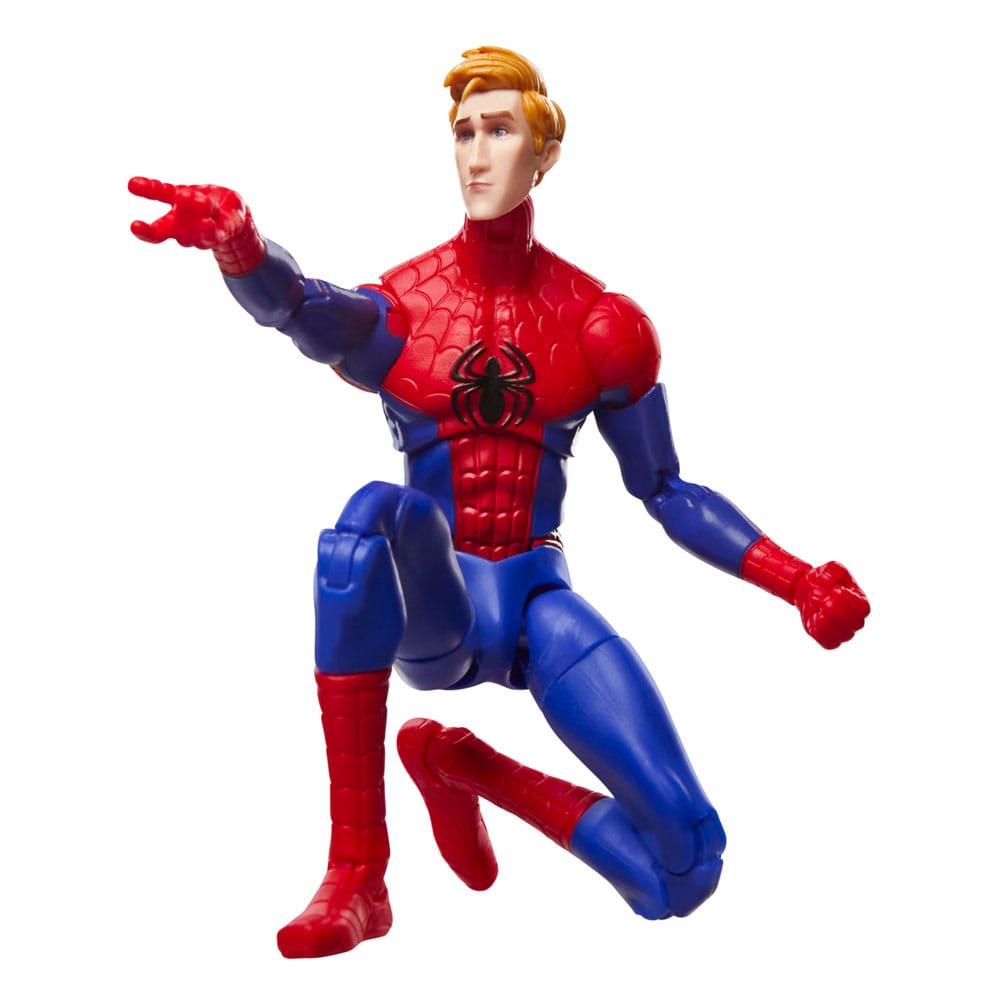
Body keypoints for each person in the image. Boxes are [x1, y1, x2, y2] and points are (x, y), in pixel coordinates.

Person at [129, 46, 869, 959]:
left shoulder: (600, 322)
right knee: (364, 520)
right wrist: (243, 250)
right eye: (464, 133)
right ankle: (360, 872)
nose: (478, 155)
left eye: (501, 130)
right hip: (435, 598)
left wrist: (799, 581)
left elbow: (667, 489)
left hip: (538, 599)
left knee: (687, 869)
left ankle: (463, 766)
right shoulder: (409, 305)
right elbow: (304, 311)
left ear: (544, 152)